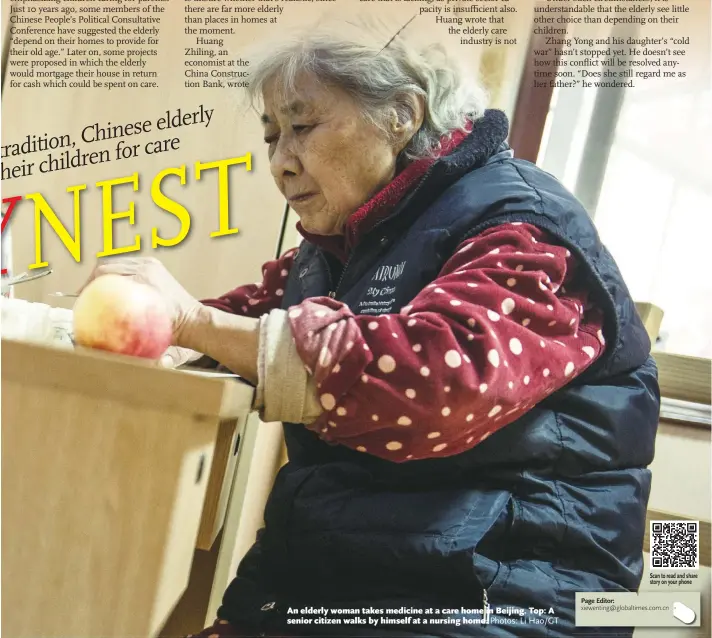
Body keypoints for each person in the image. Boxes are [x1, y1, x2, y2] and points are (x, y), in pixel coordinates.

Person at [82, 20, 660, 638]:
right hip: (348, 584)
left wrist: (191, 321)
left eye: (302, 128)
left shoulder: (525, 231)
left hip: (498, 597)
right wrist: (138, 317)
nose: (280, 164)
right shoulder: (335, 251)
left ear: (402, 115)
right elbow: (239, 328)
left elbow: (437, 384)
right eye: (272, 136)